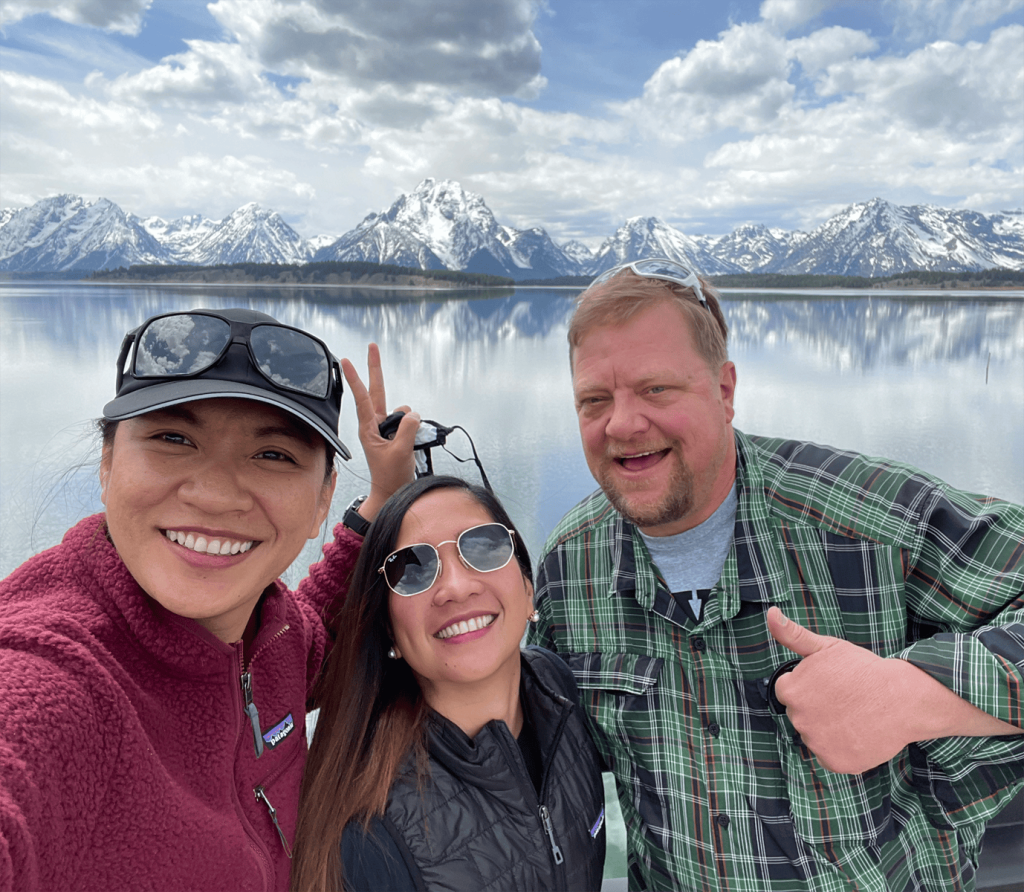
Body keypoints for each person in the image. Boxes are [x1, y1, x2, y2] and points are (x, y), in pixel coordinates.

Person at [527, 259, 1024, 892]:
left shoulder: (870, 525)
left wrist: (915, 695)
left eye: (656, 390)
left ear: (725, 390)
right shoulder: (570, 567)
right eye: (594, 400)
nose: (621, 424)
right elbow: (528, 751)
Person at [0, 308, 419, 892]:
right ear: (107, 463)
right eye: (174, 438)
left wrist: (382, 501)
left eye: (274, 455)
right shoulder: (60, 679)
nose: (217, 495)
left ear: (323, 501)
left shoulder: (272, 630)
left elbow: (312, 649)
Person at [291, 475, 607, 892]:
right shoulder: (370, 838)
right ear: (388, 630)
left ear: (528, 587)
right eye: (412, 569)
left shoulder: (557, 687)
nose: (455, 588)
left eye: (483, 546)